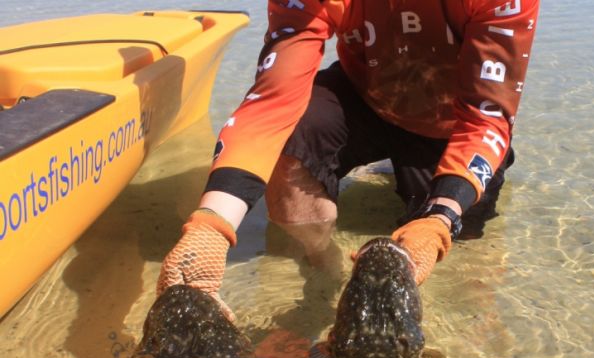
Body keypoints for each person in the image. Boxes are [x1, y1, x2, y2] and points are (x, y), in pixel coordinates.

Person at [157, 0, 539, 313]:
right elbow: (272, 102)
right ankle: (323, 265)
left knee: (464, 241)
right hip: (365, 95)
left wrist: (441, 218)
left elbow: (485, 118)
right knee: (289, 145)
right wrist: (212, 224)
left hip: (448, 123)